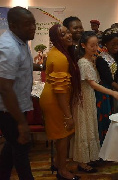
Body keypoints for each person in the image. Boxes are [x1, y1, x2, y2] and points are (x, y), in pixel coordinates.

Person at [73, 31, 118, 173]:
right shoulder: (83, 62)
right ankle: (82, 163)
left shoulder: (91, 60)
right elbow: (93, 84)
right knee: (85, 130)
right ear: (83, 45)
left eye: (97, 45)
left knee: (91, 128)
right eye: (92, 45)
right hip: (85, 99)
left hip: (90, 98)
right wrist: (113, 92)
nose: (95, 48)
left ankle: (88, 158)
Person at [40, 24, 81, 180]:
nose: (68, 35)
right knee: (63, 135)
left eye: (67, 32)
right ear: (57, 39)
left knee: (65, 135)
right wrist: (68, 115)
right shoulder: (59, 57)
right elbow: (60, 90)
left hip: (57, 98)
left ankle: (58, 163)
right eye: (63, 34)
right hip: (56, 100)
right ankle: (62, 172)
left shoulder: (60, 52)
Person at [0, 6, 35, 180]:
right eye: (27, 24)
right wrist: (21, 123)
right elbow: (5, 88)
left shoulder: (21, 40)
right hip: (8, 109)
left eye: (34, 23)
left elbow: (21, 69)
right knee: (21, 148)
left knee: (12, 145)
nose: (33, 28)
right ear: (13, 25)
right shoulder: (9, 48)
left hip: (17, 106)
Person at [95, 27, 118, 145]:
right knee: (106, 119)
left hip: (115, 91)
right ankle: (105, 148)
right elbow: (109, 80)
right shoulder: (101, 59)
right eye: (113, 44)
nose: (116, 46)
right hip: (105, 92)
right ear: (105, 43)